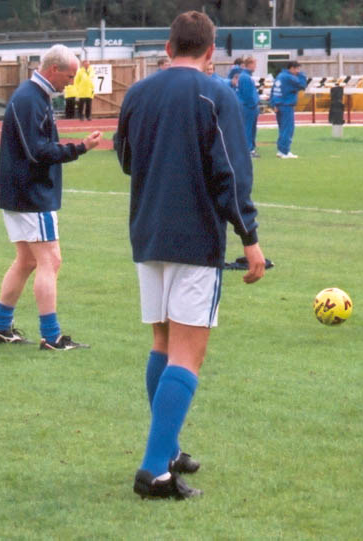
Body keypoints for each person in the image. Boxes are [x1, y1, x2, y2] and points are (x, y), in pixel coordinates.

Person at [113, 10, 266, 499]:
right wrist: (250, 237)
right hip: (195, 238)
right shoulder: (215, 93)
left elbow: (126, 159)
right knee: (188, 351)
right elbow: (231, 173)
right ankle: (155, 471)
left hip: (147, 232)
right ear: (211, 49)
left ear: (167, 45)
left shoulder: (137, 93)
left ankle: (170, 446)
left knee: (162, 340)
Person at [0, 44, 101, 350]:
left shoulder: (35, 97)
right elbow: (37, 152)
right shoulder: (29, 98)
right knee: (50, 260)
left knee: (26, 260)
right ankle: (51, 336)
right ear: (53, 70)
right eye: (70, 74)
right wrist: (79, 148)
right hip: (31, 194)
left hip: (22, 192)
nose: (72, 81)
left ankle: (0, 327)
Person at [271, 60, 308, 158]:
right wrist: (302, 74)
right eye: (297, 69)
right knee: (288, 129)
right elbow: (302, 85)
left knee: (282, 128)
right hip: (286, 105)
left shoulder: (280, 76)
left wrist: (274, 104)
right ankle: (284, 151)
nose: (298, 71)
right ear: (292, 68)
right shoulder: (289, 77)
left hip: (279, 104)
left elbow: (273, 91)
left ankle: (281, 150)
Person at [236, 56, 261, 158]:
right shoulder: (245, 77)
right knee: (248, 129)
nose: (255, 67)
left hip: (247, 106)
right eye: (254, 64)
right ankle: (248, 150)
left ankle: (250, 148)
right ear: (249, 65)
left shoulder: (245, 76)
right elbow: (248, 95)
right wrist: (253, 105)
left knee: (250, 128)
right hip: (248, 107)